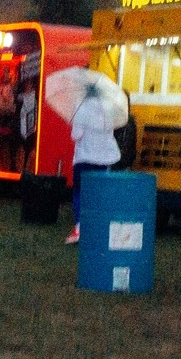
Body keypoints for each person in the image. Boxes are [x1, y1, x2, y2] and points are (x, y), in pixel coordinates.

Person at [64, 76, 121, 245]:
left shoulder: (81, 107)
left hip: (85, 157)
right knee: (99, 195)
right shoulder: (109, 108)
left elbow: (76, 135)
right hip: (105, 159)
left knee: (80, 193)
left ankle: (80, 228)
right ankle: (99, 230)